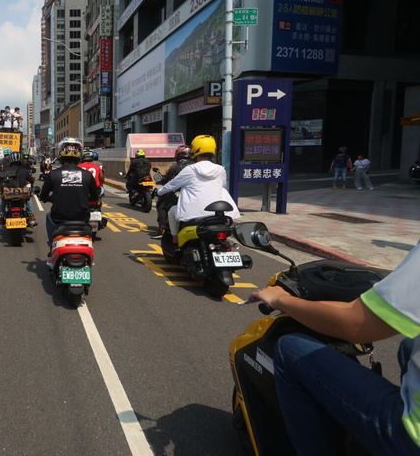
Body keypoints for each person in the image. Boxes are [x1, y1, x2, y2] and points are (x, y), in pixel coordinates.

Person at [249, 242, 420, 455]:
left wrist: (280, 299)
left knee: (289, 348)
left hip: (411, 438)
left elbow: (355, 324)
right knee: (407, 347)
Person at [155, 135, 240, 242]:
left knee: (172, 211)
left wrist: (159, 192)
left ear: (195, 150)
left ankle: (175, 239)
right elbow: (221, 186)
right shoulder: (220, 169)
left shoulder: (190, 169)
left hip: (193, 214)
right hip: (217, 213)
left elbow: (171, 185)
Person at [39, 138, 100, 261]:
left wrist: (53, 199)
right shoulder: (87, 175)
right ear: (79, 157)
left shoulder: (53, 174)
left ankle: (52, 246)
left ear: (60, 156)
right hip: (82, 218)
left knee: (48, 216)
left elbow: (43, 196)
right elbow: (95, 196)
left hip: (58, 218)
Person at [155, 145, 193, 236]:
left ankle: (162, 227)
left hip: (176, 193)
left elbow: (169, 182)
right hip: (193, 194)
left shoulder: (175, 167)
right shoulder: (195, 165)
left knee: (162, 205)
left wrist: (159, 190)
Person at [0, 152, 36, 226]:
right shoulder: (24, 170)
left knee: (2, 198)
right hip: (22, 193)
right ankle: (31, 215)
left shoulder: (6, 170)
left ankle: (1, 214)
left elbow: (0, 180)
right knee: (28, 198)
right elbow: (31, 180)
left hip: (9, 194)